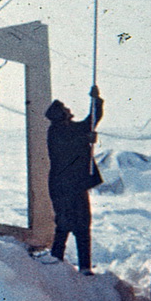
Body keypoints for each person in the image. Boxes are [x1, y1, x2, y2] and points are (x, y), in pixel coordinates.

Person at [44, 85, 104, 274]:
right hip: (63, 187)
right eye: (65, 109)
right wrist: (86, 138)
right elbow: (68, 146)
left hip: (76, 186)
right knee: (64, 225)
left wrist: (96, 101)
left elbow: (91, 122)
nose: (69, 110)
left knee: (83, 226)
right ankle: (55, 261)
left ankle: (85, 267)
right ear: (60, 115)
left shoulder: (71, 128)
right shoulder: (55, 132)